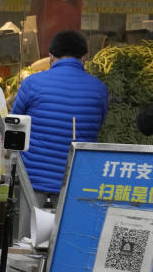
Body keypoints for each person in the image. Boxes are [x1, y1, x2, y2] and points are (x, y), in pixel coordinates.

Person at [13, 30, 108, 205]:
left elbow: (15, 125)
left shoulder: (32, 83)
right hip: (76, 182)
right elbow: (97, 124)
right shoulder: (99, 89)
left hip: (33, 181)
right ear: (85, 57)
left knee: (30, 232)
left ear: (50, 56)